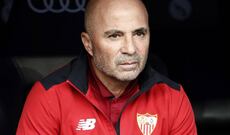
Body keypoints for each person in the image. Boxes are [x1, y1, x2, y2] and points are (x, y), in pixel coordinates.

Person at [17, 0, 197, 134]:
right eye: (114, 36)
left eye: (139, 33)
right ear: (88, 44)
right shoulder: (49, 97)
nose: (131, 48)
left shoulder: (172, 98)